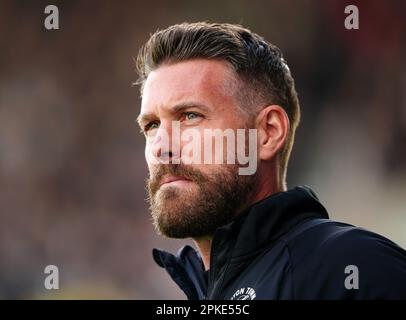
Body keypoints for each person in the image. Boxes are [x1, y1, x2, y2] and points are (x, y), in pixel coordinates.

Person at [135, 22, 406, 299]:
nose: (161, 147)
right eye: (152, 125)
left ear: (268, 132)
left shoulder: (354, 266)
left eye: (190, 116)